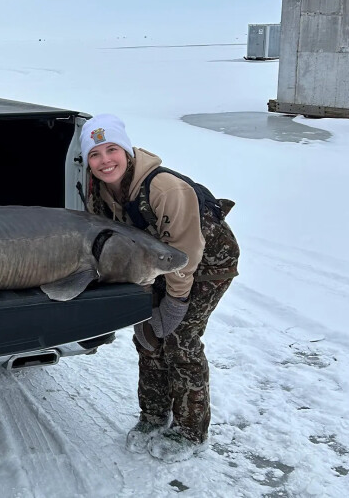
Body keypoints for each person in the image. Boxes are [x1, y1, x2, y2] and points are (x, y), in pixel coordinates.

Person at [80, 113, 239, 462]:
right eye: (95, 154)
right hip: (153, 264)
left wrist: (176, 302)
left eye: (111, 150)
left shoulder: (164, 188)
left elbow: (186, 255)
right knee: (148, 339)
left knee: (180, 342)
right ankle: (153, 416)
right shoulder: (99, 191)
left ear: (127, 151)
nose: (105, 160)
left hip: (206, 265)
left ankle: (190, 432)